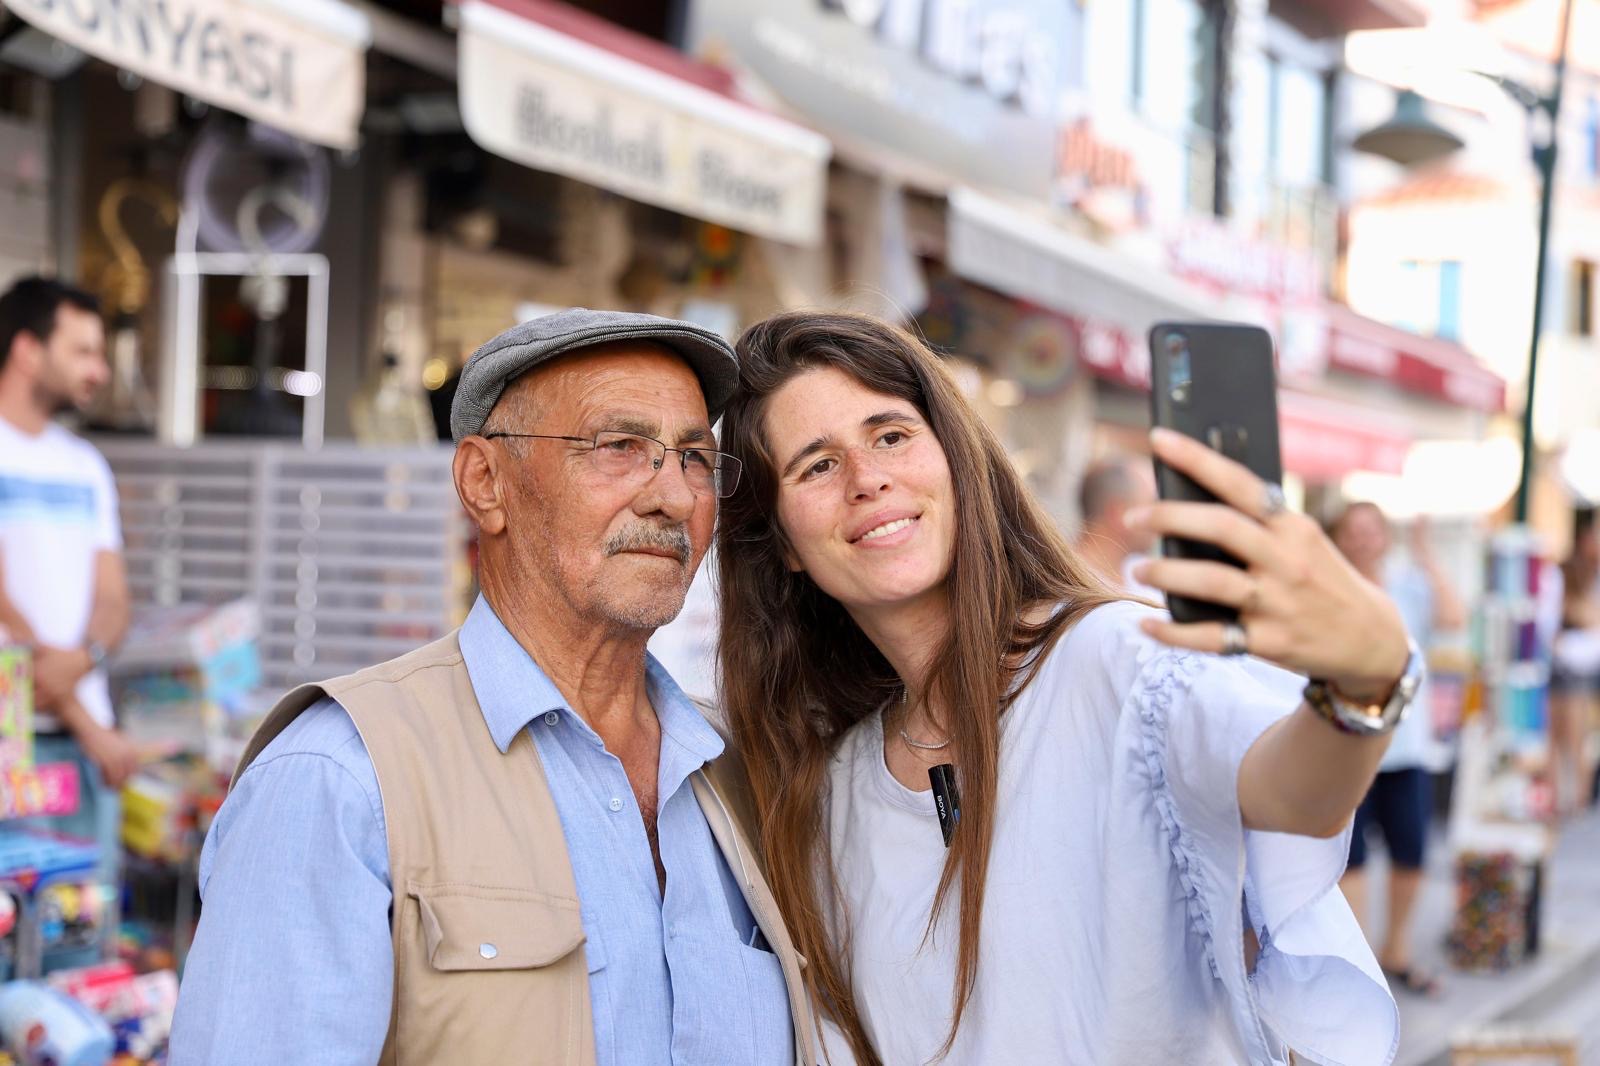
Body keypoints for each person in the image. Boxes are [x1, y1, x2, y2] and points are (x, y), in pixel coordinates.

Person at [715, 311, 1416, 1065]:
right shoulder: (832, 788)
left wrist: (1363, 683)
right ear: (781, 542)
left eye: (890, 435)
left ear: (957, 458)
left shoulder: (1107, 659)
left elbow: (1295, 793)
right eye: (815, 466)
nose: (867, 479)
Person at [170, 310, 814, 1065]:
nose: (671, 496)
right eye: (619, 447)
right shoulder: (340, 781)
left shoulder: (740, 779)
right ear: (485, 482)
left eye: (694, 458)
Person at [0, 276, 135, 889]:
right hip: (18, 743)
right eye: (82, 351)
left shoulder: (86, 465)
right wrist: (90, 725)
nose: (99, 370)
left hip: (84, 755)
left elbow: (113, 598)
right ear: (28, 350)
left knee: (83, 944)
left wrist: (89, 657)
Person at [1331, 502, 1465, 997]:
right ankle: (1359, 959)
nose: (1363, 540)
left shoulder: (1409, 586)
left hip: (1406, 748)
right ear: (1339, 538)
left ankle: (1397, 951)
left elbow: (1453, 617)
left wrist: (1426, 554)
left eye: (1372, 531)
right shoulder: (1329, 589)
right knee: (1352, 858)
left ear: (1385, 538)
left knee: (1411, 850)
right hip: (1346, 747)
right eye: (1353, 531)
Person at [1552, 510, 1600, 813]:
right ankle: (1563, 797)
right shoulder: (1568, 572)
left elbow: (1587, 616)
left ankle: (1577, 798)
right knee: (1558, 733)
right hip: (1566, 660)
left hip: (1581, 663)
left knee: (1576, 734)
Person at [1074, 453, 1159, 593]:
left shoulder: (1141, 575)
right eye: (1153, 504)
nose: (1159, 520)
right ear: (1119, 514)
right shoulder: (1068, 591)